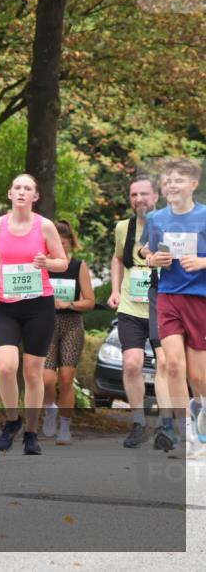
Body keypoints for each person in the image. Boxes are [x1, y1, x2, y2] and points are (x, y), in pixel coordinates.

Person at [0, 174, 68, 455]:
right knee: (6, 367)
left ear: (35, 196)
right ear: (10, 194)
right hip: (7, 306)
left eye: (28, 188)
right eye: (17, 187)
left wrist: (47, 262)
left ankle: (31, 433)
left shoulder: (44, 227)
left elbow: (61, 262)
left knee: (33, 374)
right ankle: (11, 420)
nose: (22, 192)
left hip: (38, 306)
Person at [141, 157, 206, 457]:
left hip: (199, 299)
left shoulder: (205, 216)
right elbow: (147, 252)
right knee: (174, 365)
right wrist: (153, 259)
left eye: (178, 180)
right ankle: (187, 434)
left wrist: (203, 262)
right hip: (167, 297)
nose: (171, 185)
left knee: (198, 377)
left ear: (193, 184)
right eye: (167, 181)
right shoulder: (156, 219)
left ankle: (201, 418)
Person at [107, 176, 160, 448]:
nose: (138, 199)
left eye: (143, 194)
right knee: (131, 364)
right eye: (133, 194)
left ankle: (168, 423)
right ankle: (138, 422)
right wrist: (115, 290)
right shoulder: (122, 228)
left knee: (168, 366)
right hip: (130, 307)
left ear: (156, 197)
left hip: (162, 307)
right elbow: (117, 258)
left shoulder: (169, 225)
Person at [41, 220, 95, 445]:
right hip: (46, 324)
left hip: (71, 324)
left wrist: (69, 304)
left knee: (65, 378)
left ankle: (65, 427)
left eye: (63, 244)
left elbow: (90, 301)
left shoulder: (78, 266)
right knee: (47, 378)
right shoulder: (43, 265)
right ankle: (50, 408)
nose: (59, 248)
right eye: (55, 244)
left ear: (71, 244)